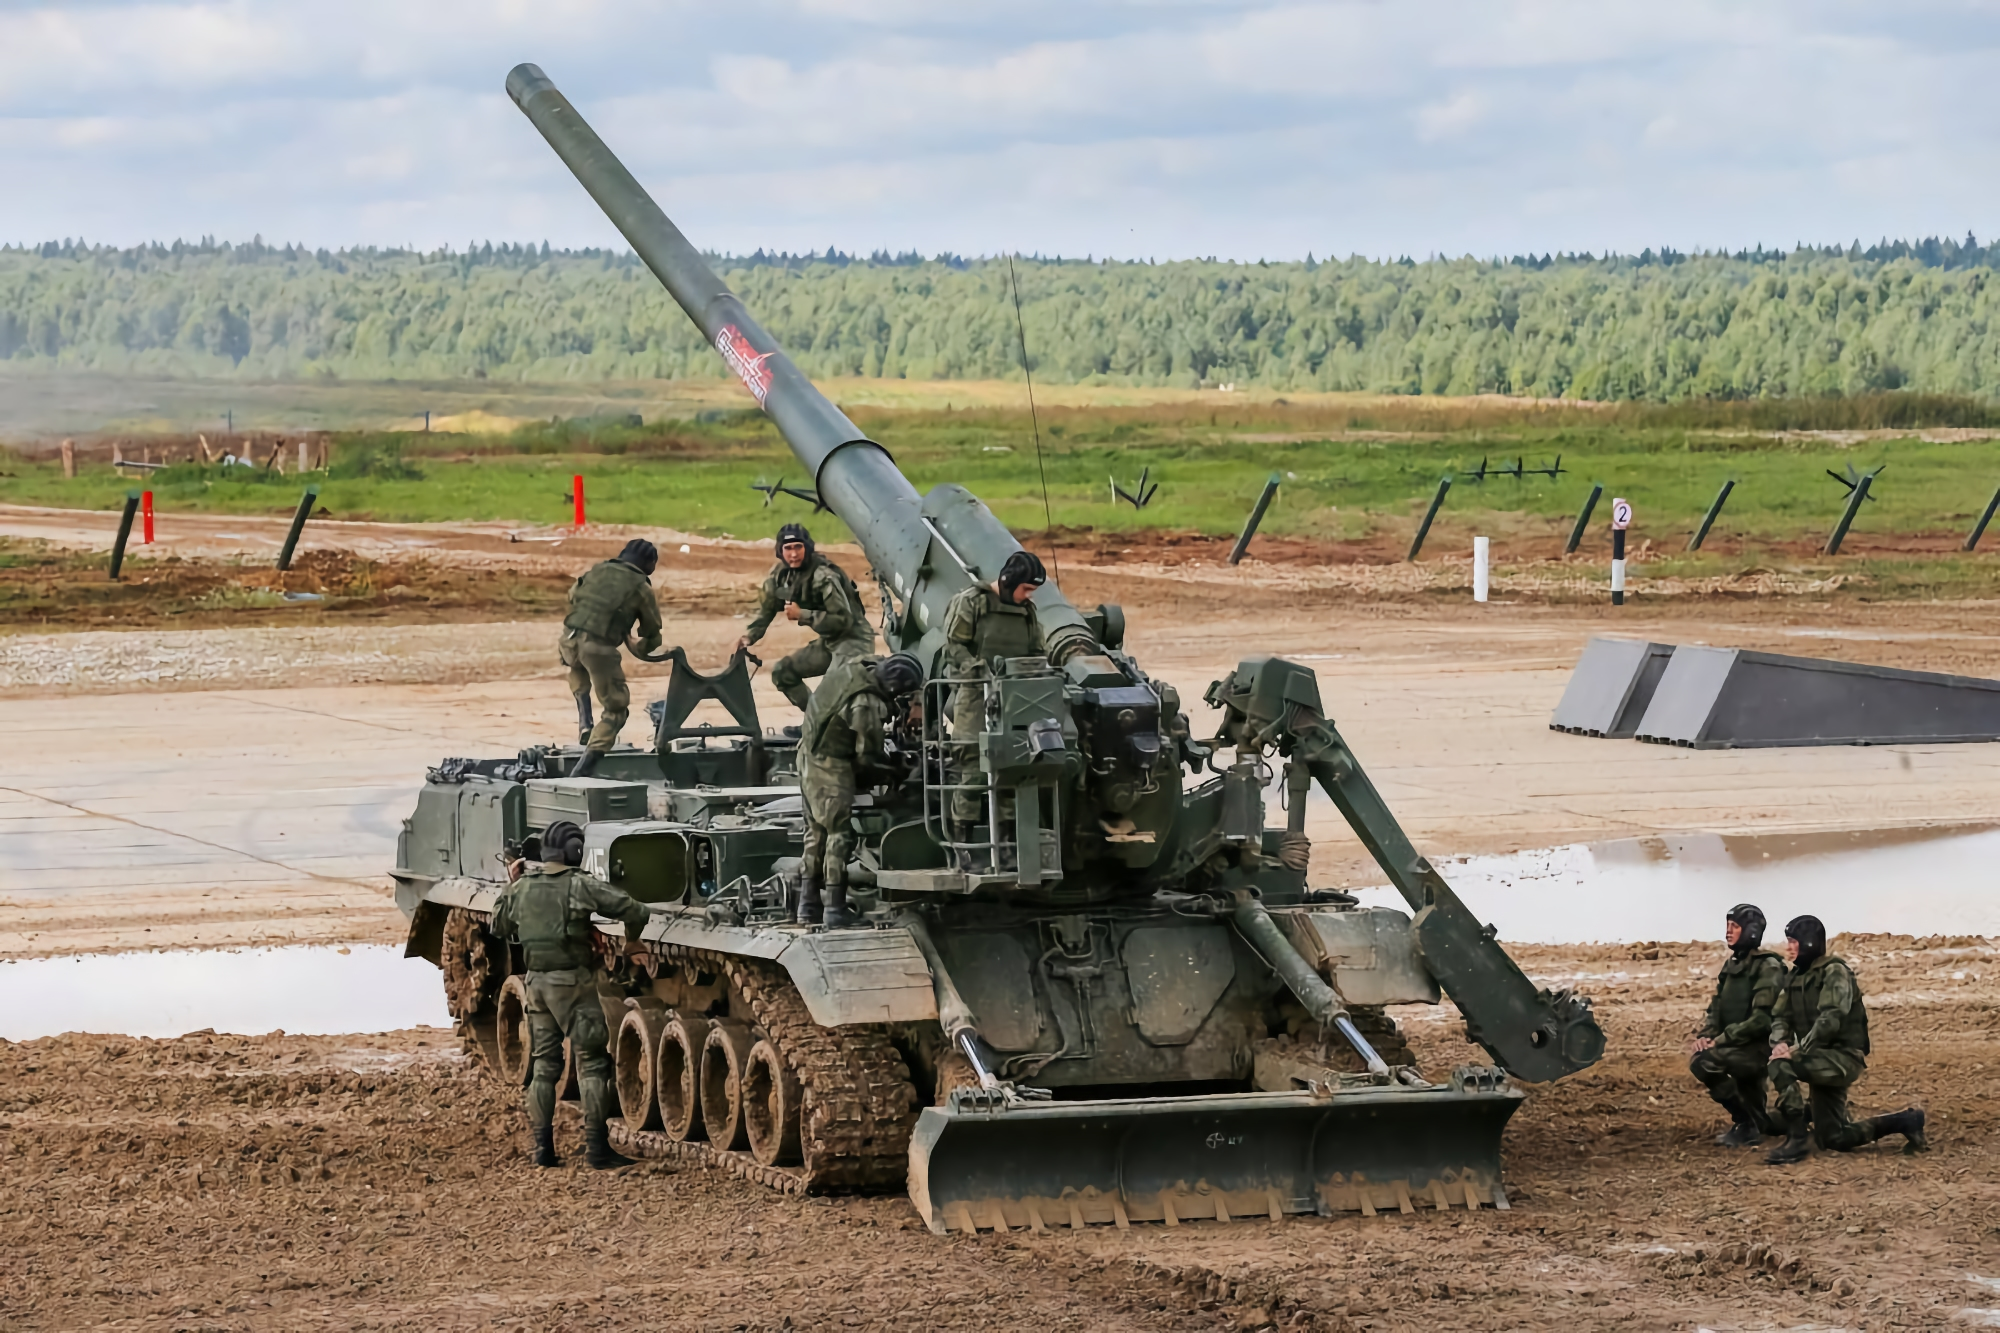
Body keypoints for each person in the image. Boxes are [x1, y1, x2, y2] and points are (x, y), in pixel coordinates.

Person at [490, 819, 652, 1170]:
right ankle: (597, 1149)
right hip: (574, 986)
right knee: (592, 1063)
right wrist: (632, 941)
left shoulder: (522, 888)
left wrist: (511, 883)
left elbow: (498, 925)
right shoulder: (579, 885)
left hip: (537, 986)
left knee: (544, 1067)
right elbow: (635, 909)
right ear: (575, 852)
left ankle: (543, 1150)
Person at [1765, 915, 1927, 1165]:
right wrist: (1779, 1043)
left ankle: (1797, 1138)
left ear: (1809, 943)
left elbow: (1830, 1019)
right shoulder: (1796, 976)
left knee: (1780, 1065)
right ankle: (1905, 1121)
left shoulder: (1834, 972)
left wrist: (1795, 1051)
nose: (1789, 948)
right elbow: (1780, 1016)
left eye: (1794, 942)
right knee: (1834, 1138)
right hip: (1819, 1056)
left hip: (1842, 1058)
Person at [796, 653, 924, 927]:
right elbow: (868, 755)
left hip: (807, 755)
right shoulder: (866, 704)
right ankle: (835, 909)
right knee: (840, 834)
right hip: (830, 766)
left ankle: (808, 905)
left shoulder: (859, 666)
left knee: (816, 832)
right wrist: (894, 771)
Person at [940, 550, 1048, 848]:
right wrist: (980, 671)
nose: (1028, 596)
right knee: (974, 770)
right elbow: (954, 647)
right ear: (1009, 581)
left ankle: (1008, 844)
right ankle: (963, 845)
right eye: (1026, 588)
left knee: (1010, 770)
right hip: (975, 695)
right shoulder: (971, 603)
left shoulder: (1027, 612)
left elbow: (1037, 651)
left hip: (1014, 698)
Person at [737, 523, 875, 711]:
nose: (793, 554)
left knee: (832, 694)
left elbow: (842, 620)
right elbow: (767, 609)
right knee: (783, 672)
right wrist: (749, 637)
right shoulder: (781, 575)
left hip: (854, 641)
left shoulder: (823, 576)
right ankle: (816, 721)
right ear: (780, 551)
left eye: (798, 547)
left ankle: (827, 722)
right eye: (788, 548)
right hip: (829, 642)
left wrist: (803, 614)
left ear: (807, 548)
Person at [560, 538, 664, 778]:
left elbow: (573, 597)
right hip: (597, 648)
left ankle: (585, 721)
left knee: (576, 667)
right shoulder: (640, 587)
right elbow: (651, 632)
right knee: (616, 711)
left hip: (568, 639)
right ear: (649, 564)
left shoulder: (596, 571)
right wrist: (640, 647)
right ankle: (582, 772)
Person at [1688, 903, 1786, 1146]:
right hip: (1737, 1045)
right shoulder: (1731, 966)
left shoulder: (1768, 966)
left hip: (1757, 1049)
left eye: (1735, 926)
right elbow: (1716, 1008)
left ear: (1751, 931)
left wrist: (1720, 1041)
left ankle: (1747, 1123)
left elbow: (1762, 1020)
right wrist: (1705, 1035)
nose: (1728, 931)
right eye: (1727, 925)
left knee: (1704, 1062)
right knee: (1761, 1114)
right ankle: (1758, 1121)